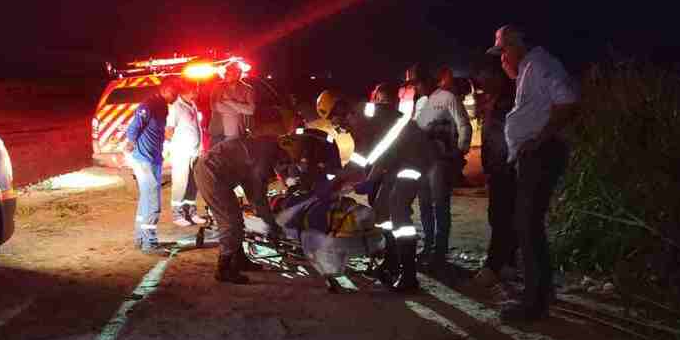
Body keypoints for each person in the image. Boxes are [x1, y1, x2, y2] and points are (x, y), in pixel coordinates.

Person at [487, 24, 579, 321]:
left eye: (503, 53)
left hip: (542, 154)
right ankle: (541, 292)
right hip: (534, 155)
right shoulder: (528, 69)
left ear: (515, 46)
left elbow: (567, 100)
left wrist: (539, 139)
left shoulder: (539, 64)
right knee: (528, 224)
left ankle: (534, 303)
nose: (501, 60)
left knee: (527, 225)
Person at [318, 91, 436, 291]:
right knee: (382, 210)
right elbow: (370, 156)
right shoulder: (361, 118)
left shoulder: (362, 116)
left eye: (333, 118)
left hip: (414, 158)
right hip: (398, 161)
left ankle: (409, 276)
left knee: (398, 210)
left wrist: (339, 182)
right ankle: (391, 263)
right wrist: (346, 180)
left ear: (340, 108)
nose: (336, 125)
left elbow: (367, 157)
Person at [194, 135, 295, 283]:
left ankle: (239, 259)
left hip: (217, 171)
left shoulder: (265, 147)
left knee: (236, 219)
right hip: (211, 174)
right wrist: (272, 224)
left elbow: (253, 190)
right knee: (230, 223)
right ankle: (224, 269)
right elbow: (257, 198)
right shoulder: (262, 159)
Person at [413, 65, 472, 275]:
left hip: (441, 161)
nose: (417, 87)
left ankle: (439, 251)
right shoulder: (420, 103)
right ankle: (428, 246)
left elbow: (464, 124)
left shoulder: (448, 98)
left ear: (429, 80)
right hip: (422, 162)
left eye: (418, 82)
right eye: (414, 84)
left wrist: (460, 151)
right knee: (425, 206)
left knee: (440, 206)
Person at [472, 63, 518, 287]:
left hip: (505, 169)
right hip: (498, 169)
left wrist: (498, 168)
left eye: (485, 74)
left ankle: (494, 266)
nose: (481, 79)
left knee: (501, 217)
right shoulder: (496, 101)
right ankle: (508, 263)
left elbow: (503, 142)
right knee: (502, 217)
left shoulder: (506, 103)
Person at [124, 80, 179, 253]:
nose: (176, 96)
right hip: (144, 159)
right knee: (153, 200)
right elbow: (135, 126)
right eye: (174, 92)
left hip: (153, 158)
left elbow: (155, 130)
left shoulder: (162, 106)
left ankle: (140, 238)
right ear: (164, 90)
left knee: (146, 199)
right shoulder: (149, 105)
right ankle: (150, 243)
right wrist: (131, 142)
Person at [165, 78, 208, 227]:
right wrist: (176, 147)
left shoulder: (192, 104)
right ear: (184, 91)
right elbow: (169, 131)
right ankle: (177, 214)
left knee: (193, 183)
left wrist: (200, 148)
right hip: (182, 153)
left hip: (194, 152)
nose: (197, 91)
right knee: (180, 184)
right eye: (194, 89)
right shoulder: (175, 108)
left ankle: (191, 212)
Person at [208, 62, 255, 147]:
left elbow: (250, 110)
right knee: (213, 157)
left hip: (237, 133)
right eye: (225, 72)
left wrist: (229, 101)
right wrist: (240, 109)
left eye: (228, 72)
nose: (225, 74)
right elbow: (215, 106)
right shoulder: (218, 87)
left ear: (237, 74)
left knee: (233, 158)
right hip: (218, 131)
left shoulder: (247, 89)